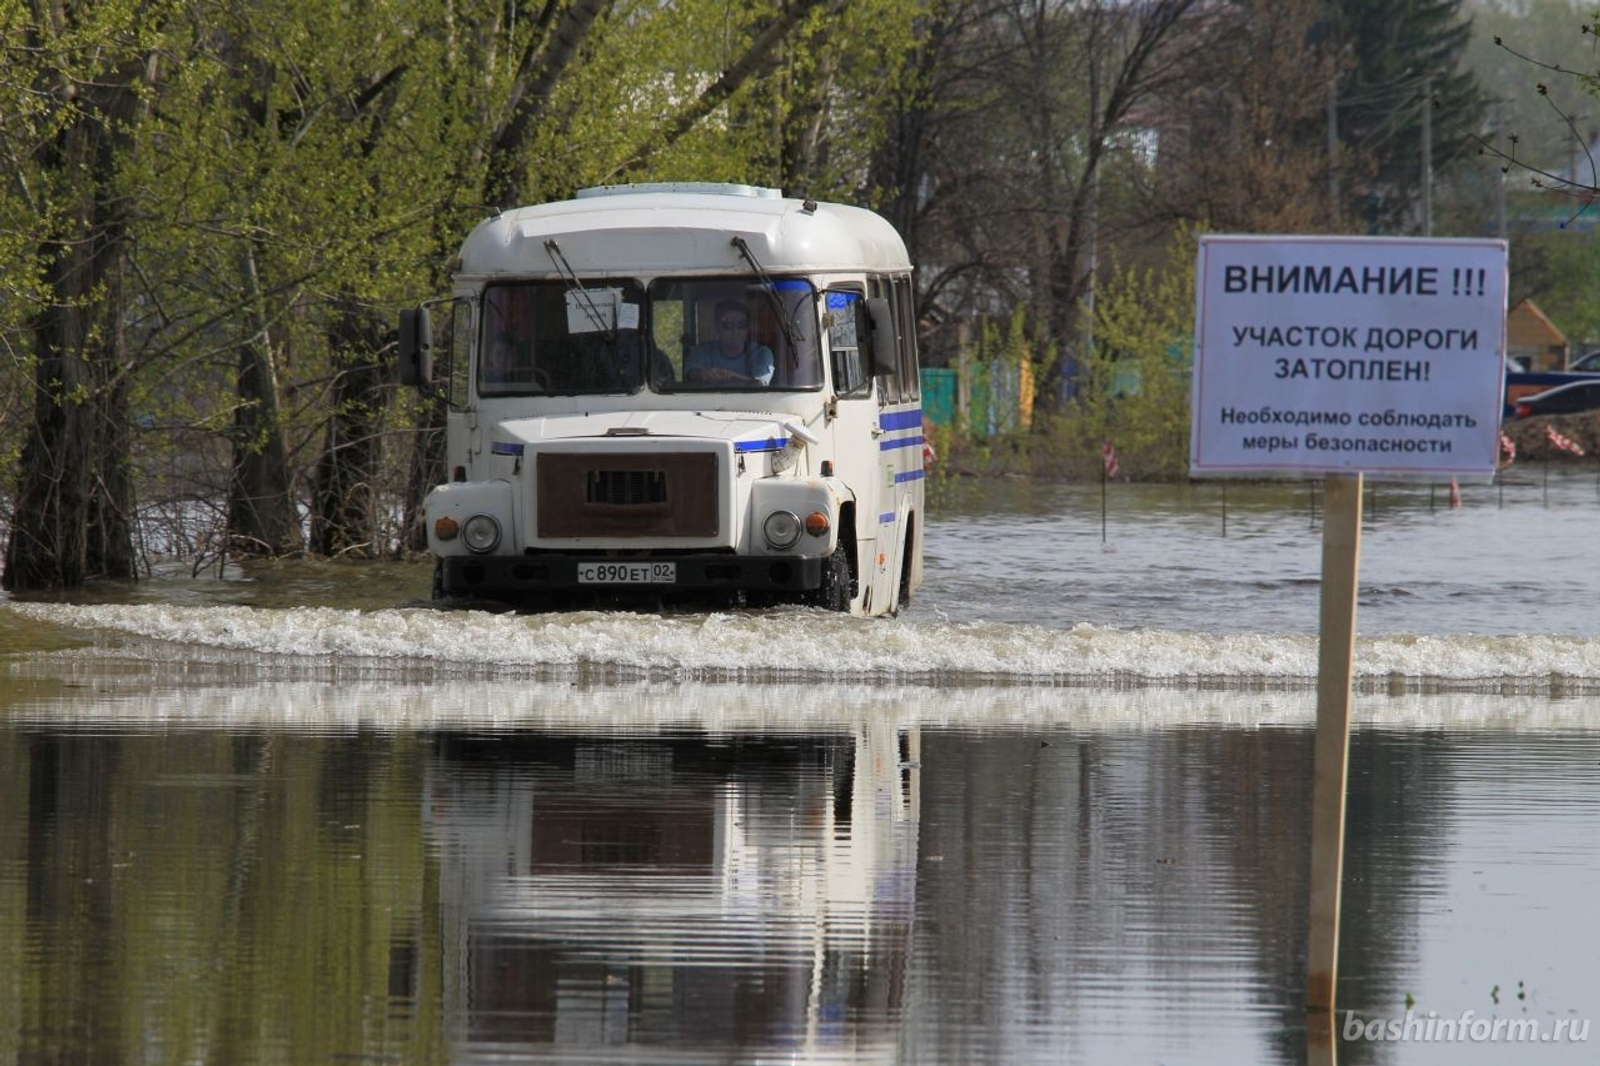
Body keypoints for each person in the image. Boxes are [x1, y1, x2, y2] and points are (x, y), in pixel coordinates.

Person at [685, 300, 774, 385]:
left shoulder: (761, 353)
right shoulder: (701, 351)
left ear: (748, 328)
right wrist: (703, 374)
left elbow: (760, 384)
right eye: (728, 325)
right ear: (717, 328)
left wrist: (730, 376)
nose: (735, 331)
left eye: (742, 324)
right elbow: (691, 374)